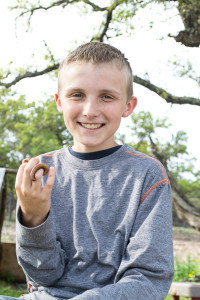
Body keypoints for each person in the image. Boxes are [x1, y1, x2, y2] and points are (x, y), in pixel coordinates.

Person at [0, 42, 174, 300]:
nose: (90, 111)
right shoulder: (39, 172)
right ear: (59, 102)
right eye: (77, 95)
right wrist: (34, 219)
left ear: (128, 105)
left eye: (107, 96)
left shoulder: (147, 175)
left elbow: (148, 281)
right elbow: (44, 277)